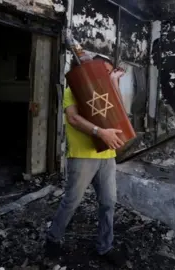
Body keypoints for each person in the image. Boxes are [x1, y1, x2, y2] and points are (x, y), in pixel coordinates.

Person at [45, 55, 126, 266]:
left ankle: (104, 246)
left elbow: (118, 113)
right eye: (105, 72)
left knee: (109, 202)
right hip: (82, 156)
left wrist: (115, 82)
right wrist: (100, 132)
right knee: (71, 202)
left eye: (109, 73)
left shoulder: (106, 90)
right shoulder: (72, 90)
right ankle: (53, 238)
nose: (107, 76)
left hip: (107, 156)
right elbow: (72, 118)